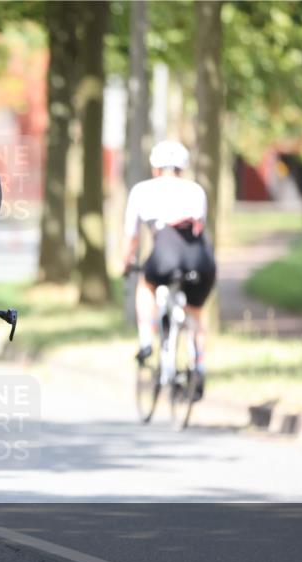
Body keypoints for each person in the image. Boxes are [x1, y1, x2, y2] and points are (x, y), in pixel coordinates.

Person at [119, 140, 216, 399]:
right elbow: (199, 227)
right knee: (195, 313)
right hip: (200, 258)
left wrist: (126, 261)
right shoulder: (196, 190)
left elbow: (132, 236)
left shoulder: (142, 191)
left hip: (165, 254)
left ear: (155, 168)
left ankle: (145, 341)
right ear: (182, 169)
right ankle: (199, 365)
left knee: (145, 286)